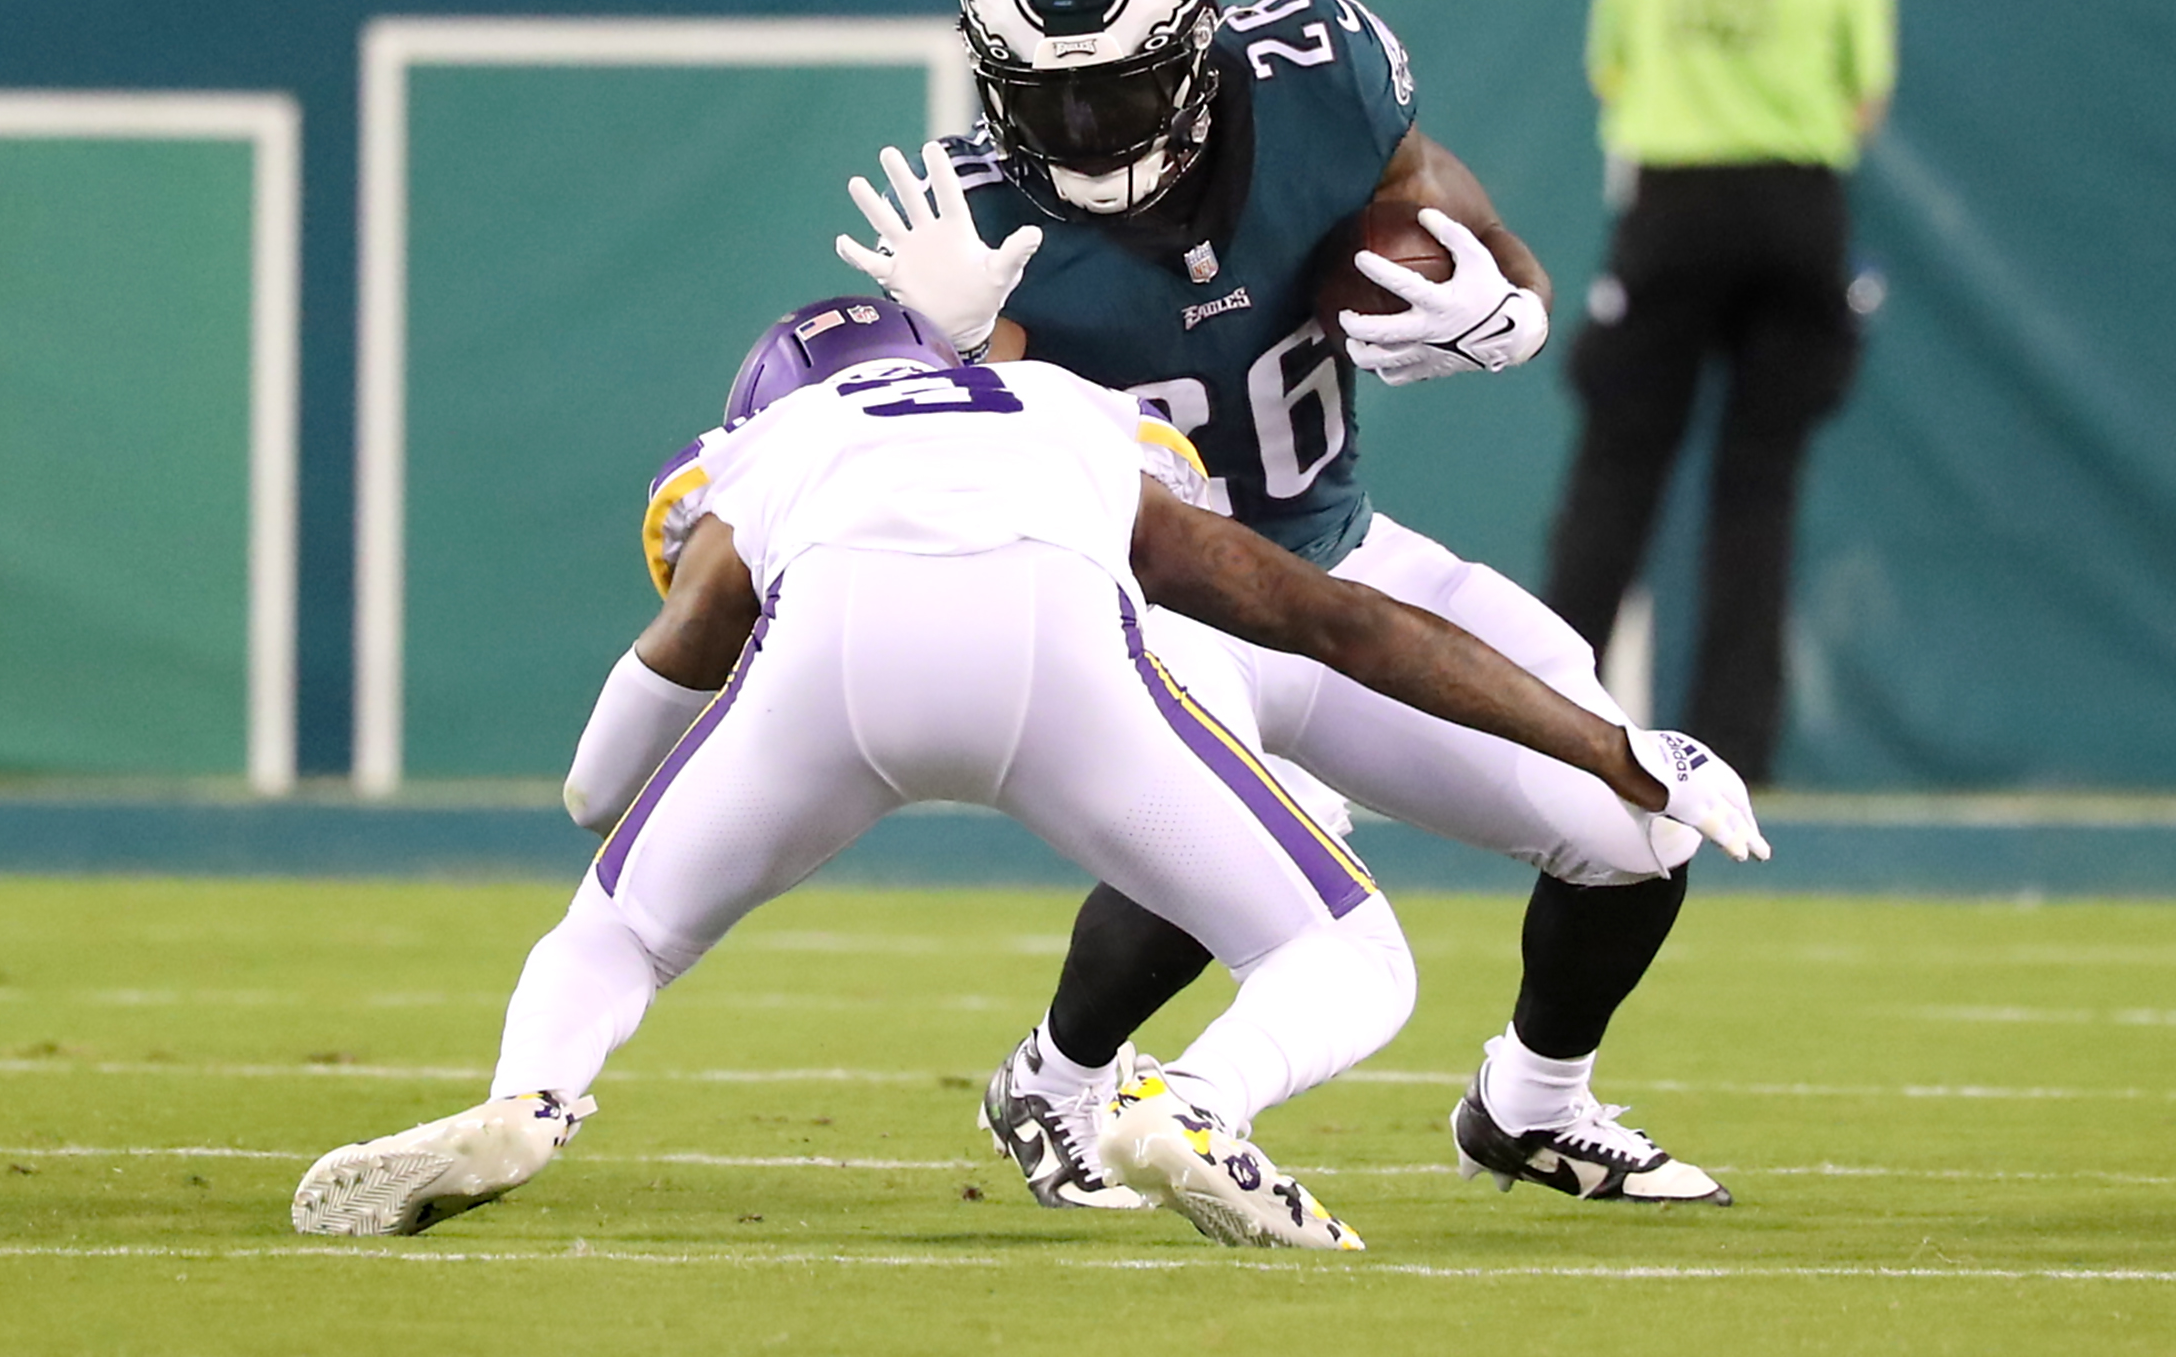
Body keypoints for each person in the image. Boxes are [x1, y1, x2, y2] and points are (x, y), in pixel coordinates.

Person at [289, 298, 1759, 1247]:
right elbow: (1332, 619)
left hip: (828, 668)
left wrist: (616, 794)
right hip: (1058, 650)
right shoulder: (1062, 409)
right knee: (1344, 954)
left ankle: (533, 1098)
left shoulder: (777, 447)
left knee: (613, 930)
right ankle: (1194, 1101)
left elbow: (639, 717)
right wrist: (1608, 742)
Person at [829, 0, 1769, 1213]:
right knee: (1280, 831)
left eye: (1119, 90)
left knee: (1636, 831)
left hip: (1337, 559)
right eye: (1052, 100)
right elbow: (967, 483)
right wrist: (971, 355)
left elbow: (1470, 229)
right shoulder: (968, 232)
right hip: (1146, 613)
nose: (1088, 132)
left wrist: (1507, 305)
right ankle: (1064, 1075)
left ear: (1199, 52)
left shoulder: (1324, 80)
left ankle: (1534, 1105)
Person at [1543, 0, 1895, 788]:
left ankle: (1550, 717)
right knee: (1758, 489)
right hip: (1795, 213)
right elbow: (1862, 100)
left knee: (1614, 475)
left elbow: (1608, 70)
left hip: (1672, 210)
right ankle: (1736, 745)